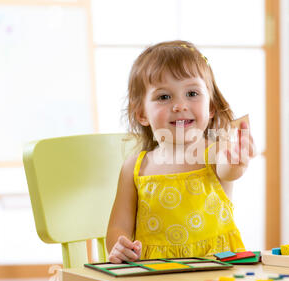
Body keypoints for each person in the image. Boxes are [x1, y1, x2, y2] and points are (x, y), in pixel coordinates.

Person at [106, 40, 255, 263]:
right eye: (164, 97)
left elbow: (229, 170)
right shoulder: (135, 167)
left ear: (211, 107)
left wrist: (237, 161)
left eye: (192, 93)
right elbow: (118, 226)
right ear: (142, 114)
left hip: (217, 271)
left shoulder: (216, 152)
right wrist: (120, 247)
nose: (180, 105)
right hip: (153, 275)